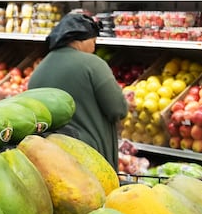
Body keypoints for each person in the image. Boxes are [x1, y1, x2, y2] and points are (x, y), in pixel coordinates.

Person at [27, 12, 128, 168]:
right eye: (93, 41)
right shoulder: (92, 64)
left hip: (51, 160)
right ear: (80, 40)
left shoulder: (38, 71)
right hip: (91, 158)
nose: (94, 47)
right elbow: (118, 109)